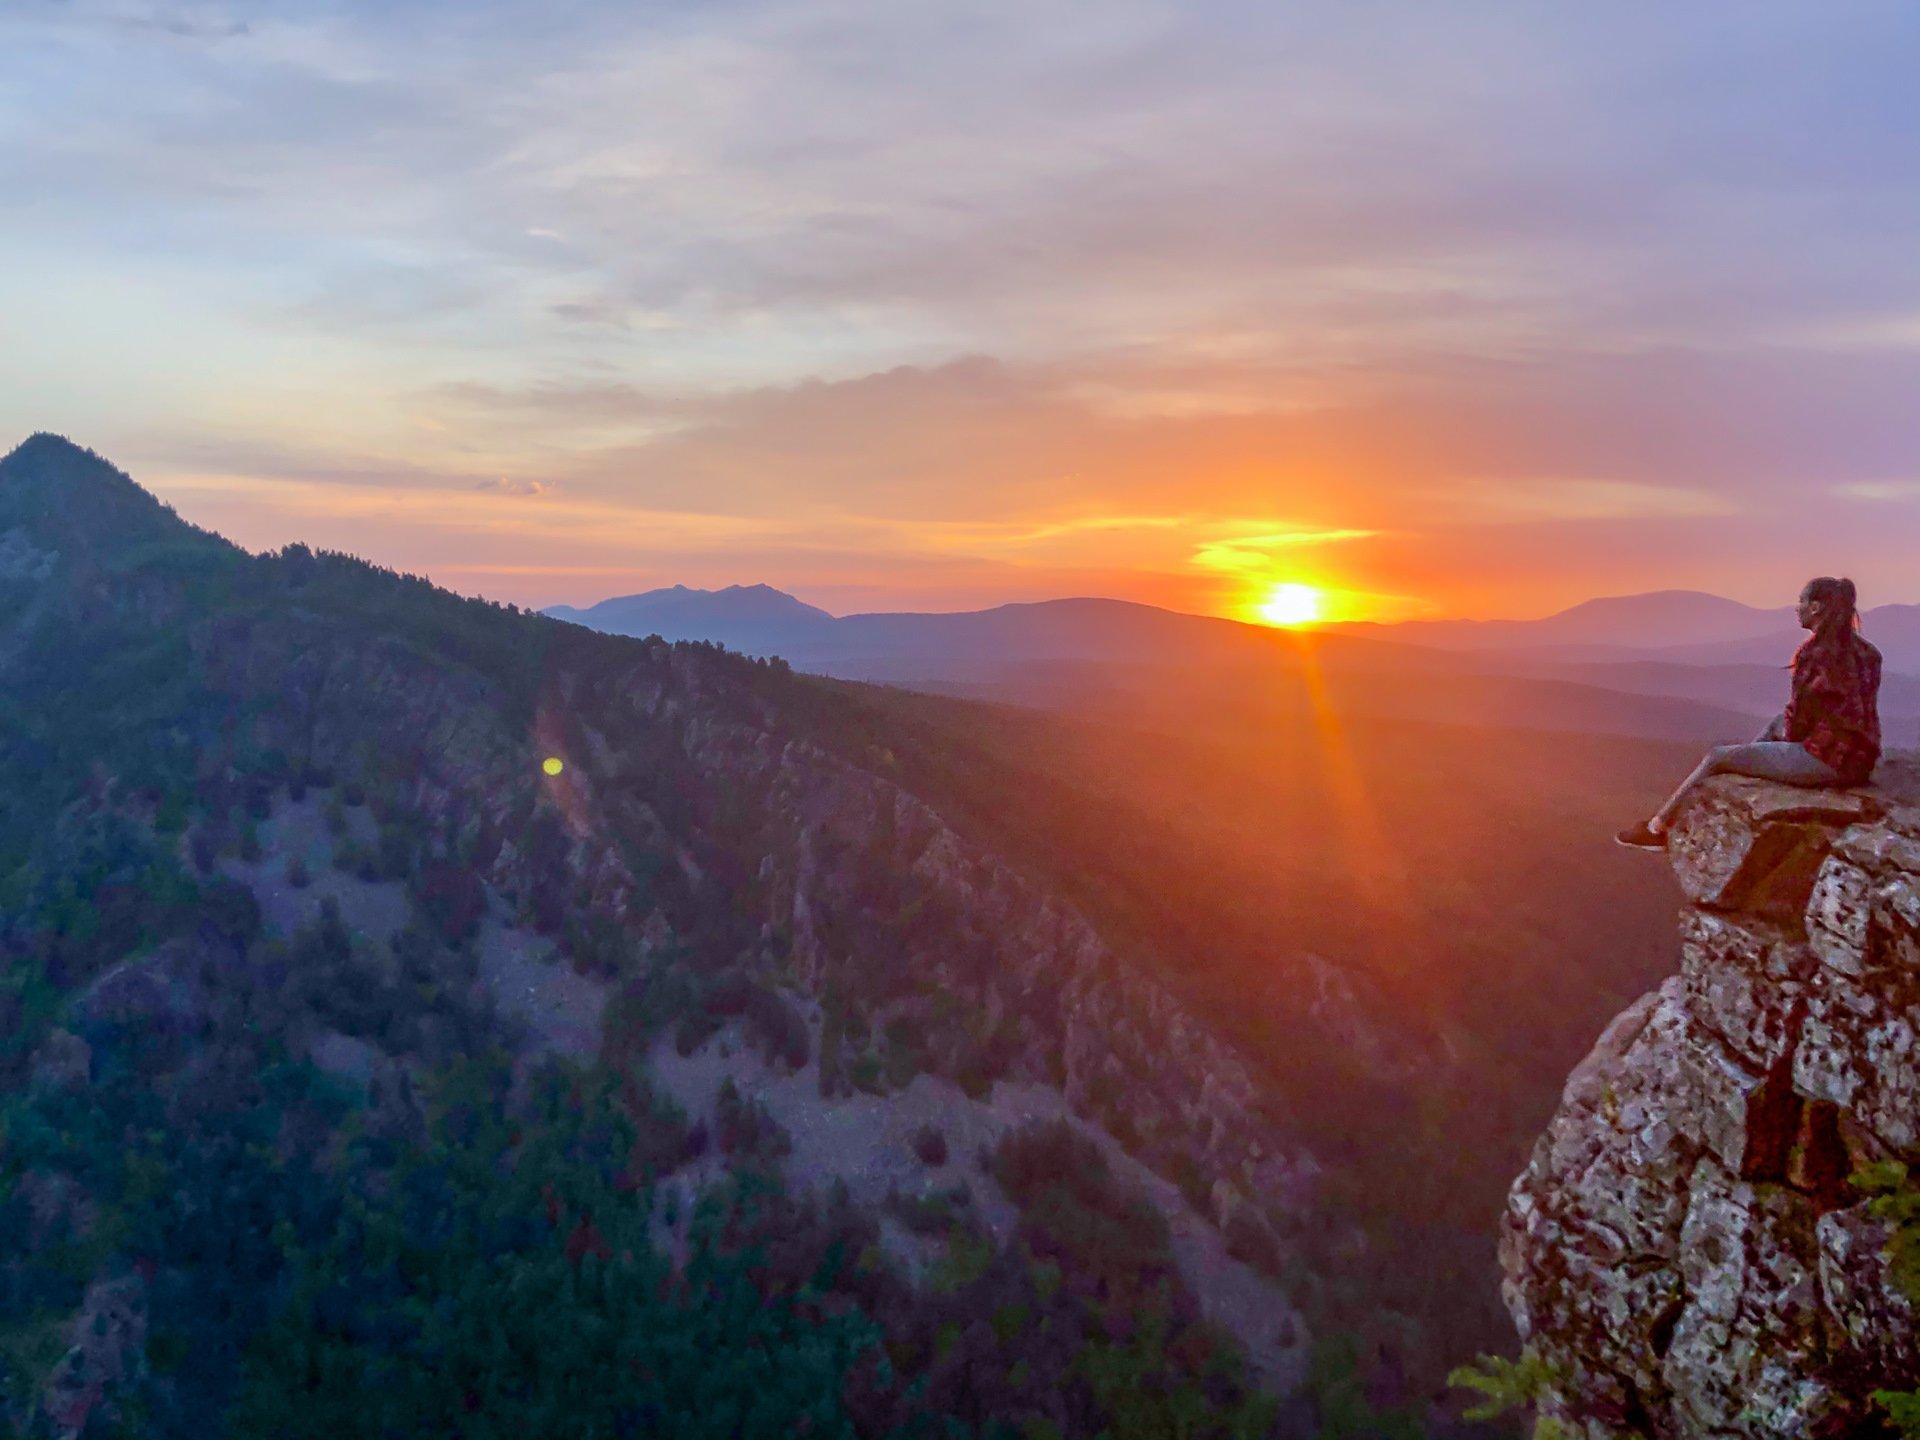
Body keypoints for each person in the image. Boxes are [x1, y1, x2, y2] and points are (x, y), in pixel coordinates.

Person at [1616, 576, 1882, 850]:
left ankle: (1658, 828)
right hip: (1860, 763)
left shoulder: (1815, 655)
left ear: (1816, 608)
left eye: (1801, 601)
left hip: (1827, 763)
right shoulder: (1868, 653)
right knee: (1775, 722)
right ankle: (1748, 763)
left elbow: (1798, 726)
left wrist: (1788, 740)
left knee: (1717, 757)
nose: (1796, 608)